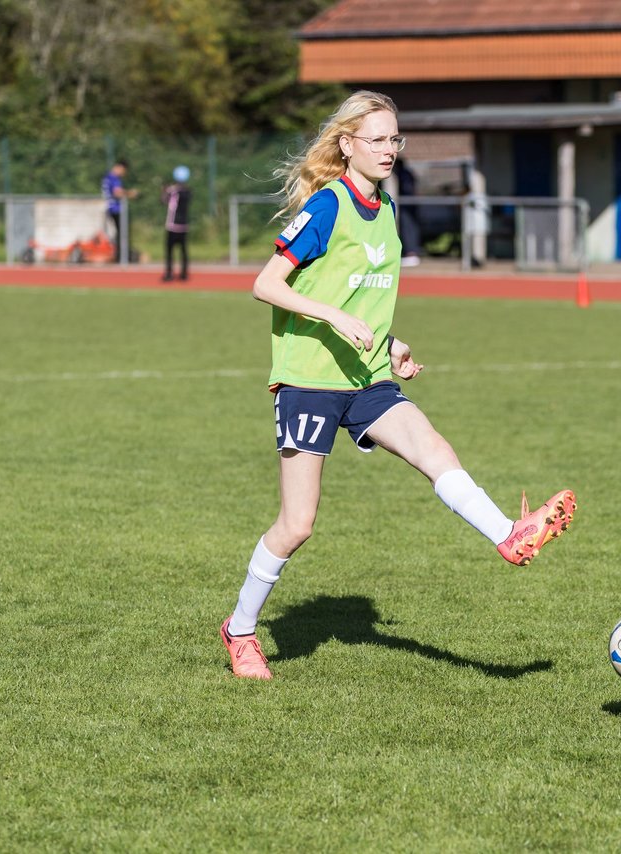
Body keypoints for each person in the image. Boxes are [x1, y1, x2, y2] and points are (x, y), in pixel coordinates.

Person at [219, 90, 578, 680]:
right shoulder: (328, 207)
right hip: (309, 380)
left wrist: (390, 343)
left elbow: (360, 296)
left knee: (433, 447)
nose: (389, 150)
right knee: (297, 524)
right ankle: (240, 630)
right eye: (378, 139)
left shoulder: (385, 209)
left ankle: (510, 537)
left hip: (366, 376)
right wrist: (334, 317)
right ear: (347, 145)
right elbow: (266, 283)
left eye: (395, 140)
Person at [101, 160, 138, 264]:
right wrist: (130, 193)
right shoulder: (114, 178)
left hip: (109, 207)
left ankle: (120, 255)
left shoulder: (106, 177)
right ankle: (122, 257)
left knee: (119, 233)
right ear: (120, 167)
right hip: (116, 209)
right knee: (123, 233)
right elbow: (117, 192)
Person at [160, 165, 192, 281]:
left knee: (169, 251)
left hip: (172, 225)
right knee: (183, 250)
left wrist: (164, 190)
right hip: (184, 225)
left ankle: (169, 273)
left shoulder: (172, 191)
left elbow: (163, 200)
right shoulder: (188, 191)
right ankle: (184, 274)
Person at [394, 157, 422, 267]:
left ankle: (411, 252)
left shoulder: (404, 174)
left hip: (407, 206)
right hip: (404, 205)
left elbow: (408, 189)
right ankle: (409, 252)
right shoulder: (406, 173)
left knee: (408, 227)